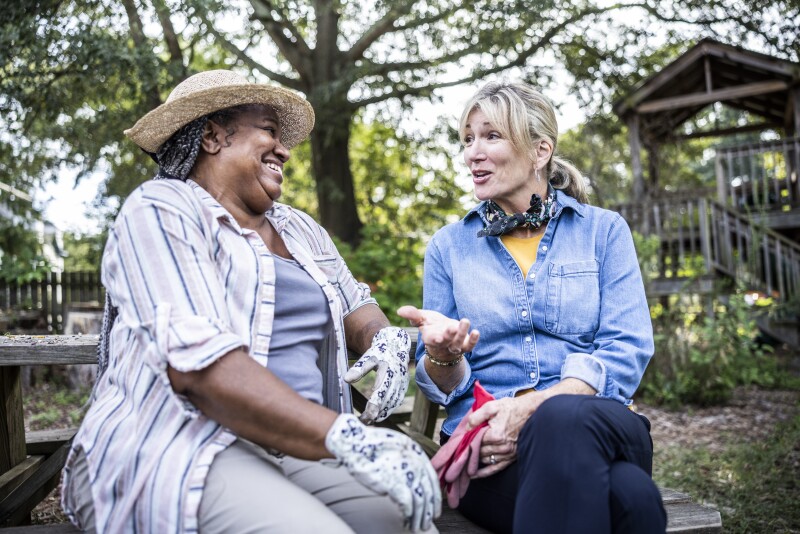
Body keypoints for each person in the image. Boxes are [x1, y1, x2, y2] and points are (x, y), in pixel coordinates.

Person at [60, 70, 440, 533]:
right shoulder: (161, 209)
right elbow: (199, 368)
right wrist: (346, 436)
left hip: (293, 445)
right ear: (213, 135)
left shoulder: (300, 229)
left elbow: (354, 302)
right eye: (268, 130)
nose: (284, 149)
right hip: (180, 441)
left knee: (401, 518)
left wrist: (386, 340)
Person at [398, 81, 667, 533]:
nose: (472, 153)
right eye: (467, 139)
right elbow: (443, 385)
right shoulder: (448, 248)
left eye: (490, 136)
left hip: (598, 424)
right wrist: (444, 355)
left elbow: (627, 348)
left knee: (560, 418)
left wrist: (529, 411)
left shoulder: (604, 232)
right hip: (491, 447)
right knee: (633, 501)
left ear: (540, 150)